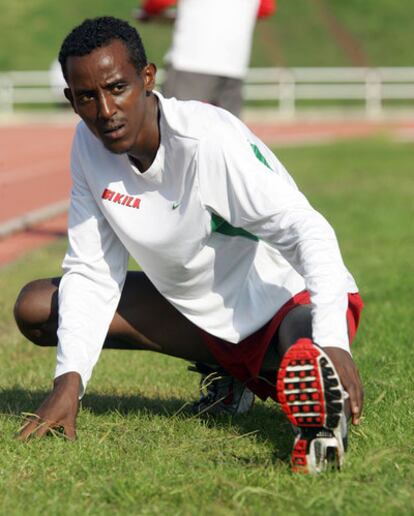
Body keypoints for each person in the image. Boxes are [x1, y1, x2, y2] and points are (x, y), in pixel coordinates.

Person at [14, 17, 364, 474]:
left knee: (303, 340)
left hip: (282, 301)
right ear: (71, 101)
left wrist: (333, 340)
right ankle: (236, 376)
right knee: (39, 307)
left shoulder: (209, 141)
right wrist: (69, 382)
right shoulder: (88, 146)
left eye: (117, 87)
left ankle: (320, 414)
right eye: (86, 97)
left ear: (147, 78)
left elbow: (307, 230)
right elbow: (91, 269)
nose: (105, 111)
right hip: (200, 313)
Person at [134, 0, 276, 116]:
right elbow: (265, 8)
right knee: (228, 138)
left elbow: (158, 3)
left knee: (175, 131)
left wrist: (148, 12)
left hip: (191, 62)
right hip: (234, 65)